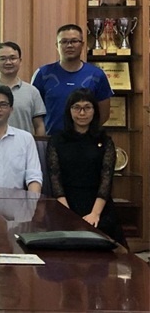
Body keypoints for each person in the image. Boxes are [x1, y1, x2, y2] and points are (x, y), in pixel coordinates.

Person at [46, 89, 126, 246]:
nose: (82, 113)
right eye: (76, 107)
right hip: (65, 204)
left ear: (94, 110)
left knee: (110, 251)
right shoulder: (57, 140)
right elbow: (55, 180)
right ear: (69, 111)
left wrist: (95, 214)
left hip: (98, 204)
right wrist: (68, 214)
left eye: (87, 107)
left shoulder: (105, 140)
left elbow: (106, 180)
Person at [32, 24, 112, 135]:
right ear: (57, 45)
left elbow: (104, 114)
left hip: (85, 140)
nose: (69, 45)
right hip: (50, 139)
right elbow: (34, 111)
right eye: (64, 42)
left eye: (74, 41)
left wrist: (86, 133)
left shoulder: (97, 75)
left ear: (82, 45)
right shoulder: (43, 74)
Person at [0, 41, 46, 135]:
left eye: (12, 58)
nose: (8, 62)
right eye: (2, 59)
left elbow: (39, 125)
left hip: (23, 143)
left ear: (20, 61)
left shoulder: (32, 92)